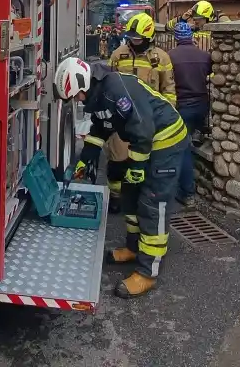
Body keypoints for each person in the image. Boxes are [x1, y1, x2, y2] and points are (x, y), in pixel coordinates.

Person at [57, 57, 189, 298]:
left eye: (76, 95)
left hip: (165, 141)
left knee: (152, 202)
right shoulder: (98, 95)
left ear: (83, 84)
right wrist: (84, 159)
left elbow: (143, 129)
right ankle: (133, 247)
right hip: (146, 143)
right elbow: (100, 129)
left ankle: (148, 271)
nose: (77, 100)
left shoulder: (117, 89)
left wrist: (137, 166)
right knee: (129, 193)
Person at [104, 13, 177, 213]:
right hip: (122, 119)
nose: (133, 42)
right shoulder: (119, 54)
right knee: (117, 161)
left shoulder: (161, 58)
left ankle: (139, 198)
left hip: (149, 120)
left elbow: (168, 90)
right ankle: (116, 197)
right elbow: (108, 84)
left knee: (144, 163)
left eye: (137, 38)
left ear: (148, 36)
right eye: (131, 38)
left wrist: (166, 119)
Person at [168, 21, 212, 206]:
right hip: (202, 105)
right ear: (191, 37)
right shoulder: (205, 56)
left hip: (182, 106)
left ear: (175, 38)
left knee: (182, 147)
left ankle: (187, 192)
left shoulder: (170, 56)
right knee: (189, 141)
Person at [166, 0, 230, 41]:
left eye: (199, 19)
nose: (196, 21)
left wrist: (222, 17)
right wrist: (181, 19)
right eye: (194, 18)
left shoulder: (217, 27)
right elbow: (167, 28)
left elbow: (229, 29)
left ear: (208, 18)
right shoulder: (190, 26)